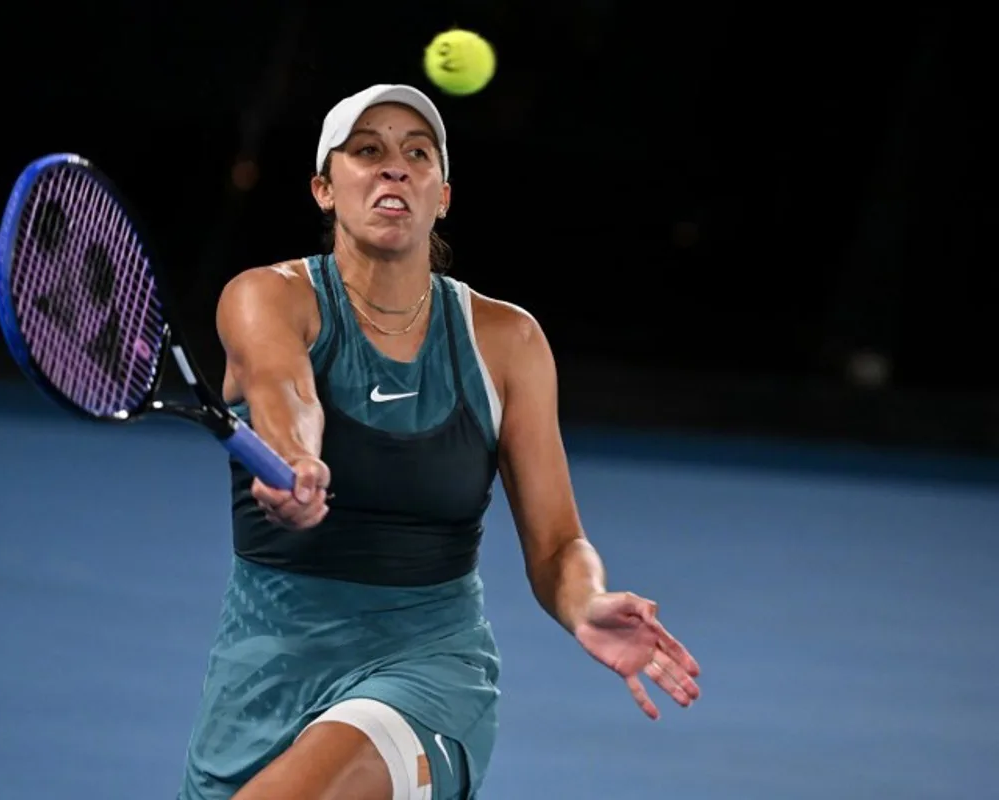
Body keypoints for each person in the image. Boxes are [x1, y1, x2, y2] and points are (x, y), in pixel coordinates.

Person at [177, 84, 701, 800]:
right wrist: (298, 456)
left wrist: (586, 600)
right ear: (324, 189)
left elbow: (555, 544)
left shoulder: (508, 341)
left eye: (416, 154)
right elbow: (283, 388)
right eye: (367, 151)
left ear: (442, 195)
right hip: (264, 668)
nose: (394, 168)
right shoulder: (266, 295)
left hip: (427, 672)